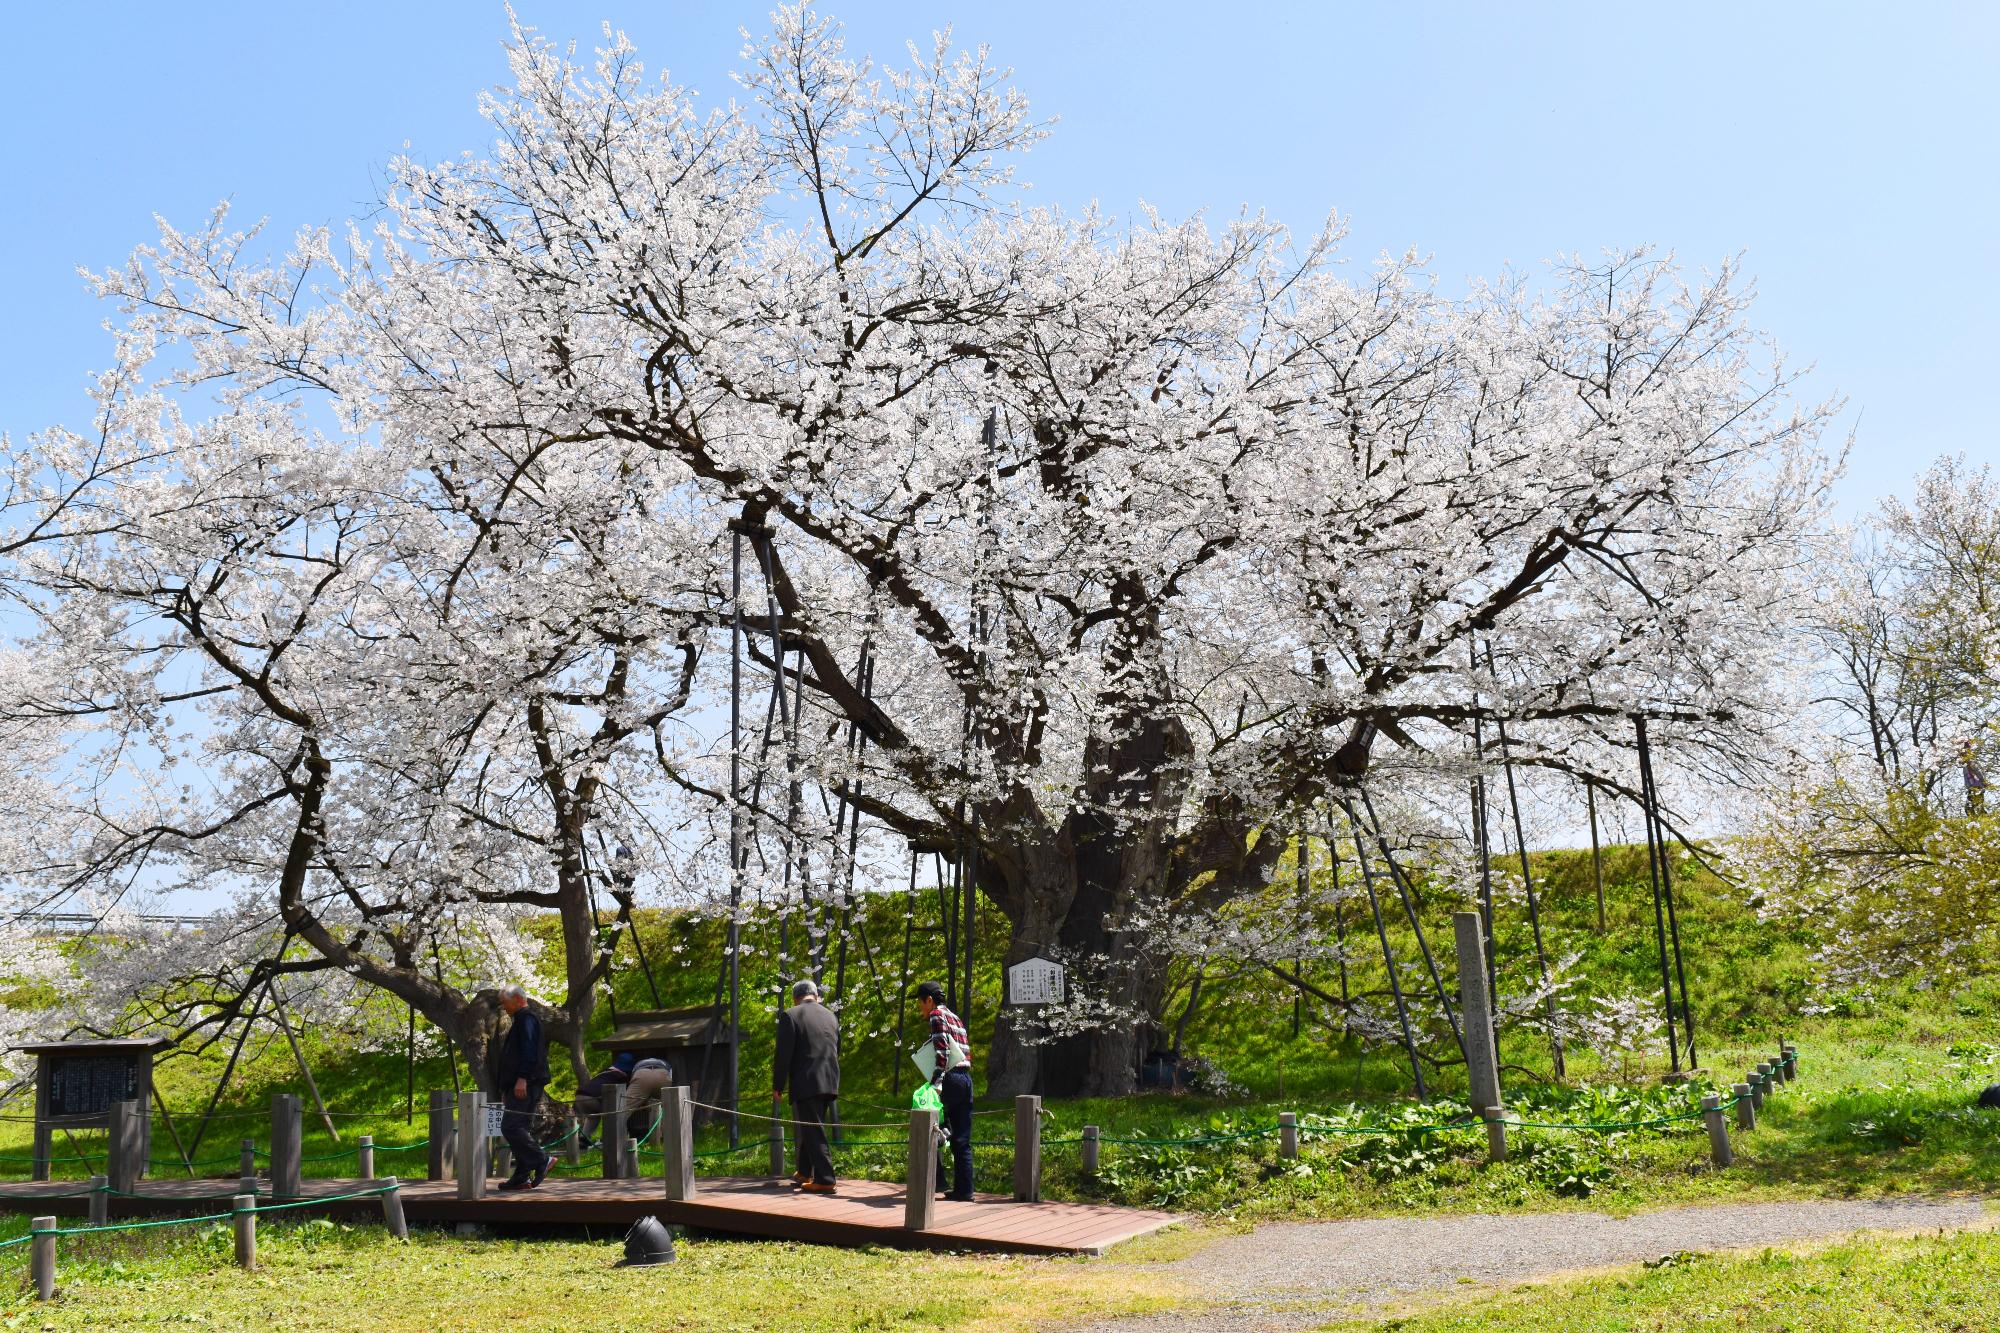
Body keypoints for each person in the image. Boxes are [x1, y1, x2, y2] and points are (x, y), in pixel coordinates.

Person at [772, 979, 840, 1194]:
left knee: (813, 1128)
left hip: (807, 1080)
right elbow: (838, 1047)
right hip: (830, 1079)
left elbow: (784, 1055)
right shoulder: (831, 1016)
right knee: (812, 1125)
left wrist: (778, 1085)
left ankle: (826, 1179)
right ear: (816, 996)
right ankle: (804, 1172)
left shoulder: (790, 1015)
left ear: (795, 998)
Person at [915, 980, 974, 1202]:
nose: (921, 1008)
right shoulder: (955, 1017)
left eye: (921, 1003)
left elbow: (942, 1052)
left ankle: (935, 1181)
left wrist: (937, 1084)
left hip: (950, 1079)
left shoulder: (936, 1016)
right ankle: (964, 1189)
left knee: (934, 1130)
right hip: (966, 1079)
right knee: (962, 1138)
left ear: (929, 1000)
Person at [494, 983, 551, 1191]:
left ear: (518, 999)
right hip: (518, 1083)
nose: (504, 1008)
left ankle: (541, 1159)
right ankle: (522, 1176)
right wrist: (506, 1088)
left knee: (511, 1126)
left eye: (505, 1003)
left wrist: (522, 1078)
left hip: (525, 1082)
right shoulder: (521, 1020)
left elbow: (529, 1052)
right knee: (520, 1127)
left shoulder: (527, 1019)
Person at [572, 1051, 636, 1150]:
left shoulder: (604, 1072)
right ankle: (605, 1140)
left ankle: (583, 1139)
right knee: (613, 1115)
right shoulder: (622, 1076)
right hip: (593, 1098)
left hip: (579, 1096)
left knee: (593, 1117)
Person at [624, 1057, 675, 1140]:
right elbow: (671, 1076)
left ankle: (610, 1138)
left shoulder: (638, 1063)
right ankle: (669, 1137)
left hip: (642, 1074)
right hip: (663, 1073)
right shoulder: (665, 1063)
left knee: (622, 1110)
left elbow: (632, 1078)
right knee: (667, 1108)